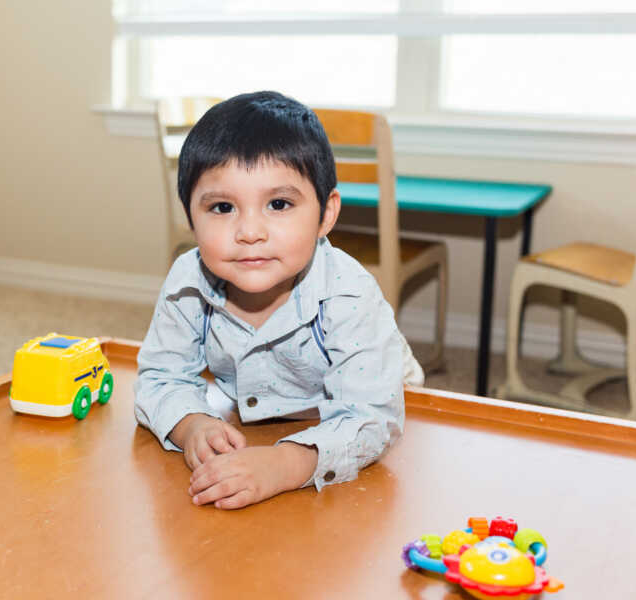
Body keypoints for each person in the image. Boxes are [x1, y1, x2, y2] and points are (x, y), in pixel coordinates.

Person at [134, 91, 423, 510]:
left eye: (279, 204)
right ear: (190, 218)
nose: (250, 231)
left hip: (389, 407)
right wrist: (191, 424)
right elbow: (160, 376)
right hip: (260, 415)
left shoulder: (348, 293)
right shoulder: (188, 281)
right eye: (221, 207)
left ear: (326, 214)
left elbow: (372, 416)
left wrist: (287, 464)